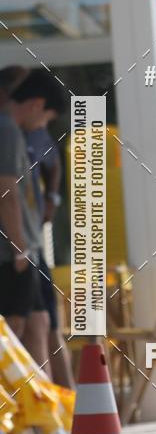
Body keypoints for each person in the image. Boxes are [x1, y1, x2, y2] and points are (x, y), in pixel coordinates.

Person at [0, 68, 68, 375]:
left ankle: (47, 413)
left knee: (37, 323)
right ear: (37, 104)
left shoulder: (14, 131)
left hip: (25, 245)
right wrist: (19, 249)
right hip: (15, 248)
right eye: (47, 118)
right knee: (14, 331)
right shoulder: (8, 130)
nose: (44, 126)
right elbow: (7, 191)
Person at [24, 126, 74, 389]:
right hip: (23, 247)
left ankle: (62, 409)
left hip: (27, 247)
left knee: (46, 324)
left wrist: (52, 199)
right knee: (40, 324)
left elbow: (53, 162)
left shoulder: (27, 131)